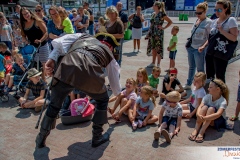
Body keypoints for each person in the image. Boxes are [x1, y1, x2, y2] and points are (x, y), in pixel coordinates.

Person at [35, 33, 121, 148]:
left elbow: (59, 43)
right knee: (103, 100)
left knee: (54, 105)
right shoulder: (108, 53)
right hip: (90, 73)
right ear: (111, 47)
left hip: (66, 68)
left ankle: (41, 138)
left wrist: (51, 58)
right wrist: (118, 94)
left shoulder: (83, 36)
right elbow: (115, 83)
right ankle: (97, 137)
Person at [205, 0, 238, 83]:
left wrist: (222, 31)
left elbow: (234, 38)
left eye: (219, 10)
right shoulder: (214, 21)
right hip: (211, 51)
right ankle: (211, 93)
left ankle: (222, 95)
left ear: (226, 9)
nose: (217, 12)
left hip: (221, 52)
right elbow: (211, 38)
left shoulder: (231, 20)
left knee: (220, 76)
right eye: (215, 10)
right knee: (209, 75)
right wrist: (203, 46)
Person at [188, 78, 230, 143]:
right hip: (206, 117)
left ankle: (202, 132)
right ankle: (196, 130)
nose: (208, 89)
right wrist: (198, 114)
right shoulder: (207, 96)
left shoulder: (223, 101)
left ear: (217, 89)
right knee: (204, 107)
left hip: (217, 120)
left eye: (210, 87)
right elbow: (200, 106)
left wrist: (205, 118)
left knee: (211, 109)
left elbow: (218, 114)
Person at [183, 2, 212, 90]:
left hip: (199, 49)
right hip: (191, 47)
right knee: (191, 67)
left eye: (200, 13)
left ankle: (201, 86)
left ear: (205, 12)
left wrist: (203, 46)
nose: (198, 15)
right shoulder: (197, 20)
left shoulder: (209, 22)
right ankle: (189, 83)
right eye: (196, 13)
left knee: (200, 69)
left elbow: (210, 37)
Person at [20, 7, 49, 82]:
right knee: (36, 65)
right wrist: (25, 39)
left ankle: (45, 81)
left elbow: (46, 33)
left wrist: (40, 40)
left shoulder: (37, 21)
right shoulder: (23, 24)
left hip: (42, 45)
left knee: (44, 64)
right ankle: (40, 81)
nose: (26, 15)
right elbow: (23, 34)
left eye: (27, 13)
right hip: (33, 47)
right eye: (24, 14)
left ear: (30, 12)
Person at [147, 1, 172, 68]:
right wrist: (148, 33)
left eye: (153, 5)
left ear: (157, 6)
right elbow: (151, 24)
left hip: (158, 34)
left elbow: (170, 21)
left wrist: (163, 27)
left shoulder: (162, 14)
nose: (152, 6)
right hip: (152, 33)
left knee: (158, 48)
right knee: (153, 48)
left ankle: (158, 64)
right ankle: (153, 62)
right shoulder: (153, 14)